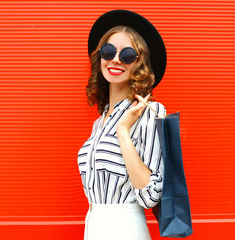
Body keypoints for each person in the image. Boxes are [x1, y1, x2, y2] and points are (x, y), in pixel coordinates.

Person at [78, 10, 167, 240]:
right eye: (108, 51)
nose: (116, 59)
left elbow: (151, 196)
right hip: (93, 227)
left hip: (125, 230)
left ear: (140, 63)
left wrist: (123, 132)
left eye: (127, 55)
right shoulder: (100, 122)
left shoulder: (149, 112)